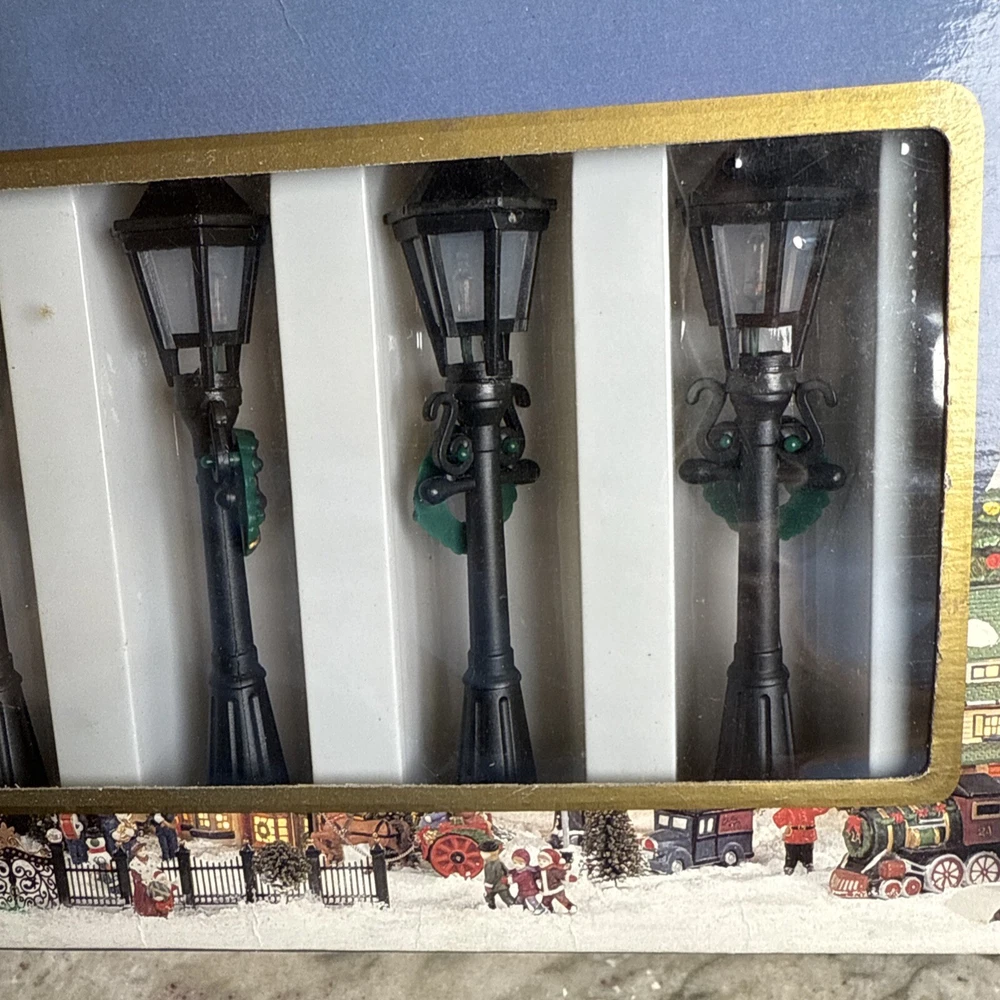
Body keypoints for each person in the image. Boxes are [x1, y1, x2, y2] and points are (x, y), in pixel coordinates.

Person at [772, 807, 828, 874]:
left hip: (806, 839)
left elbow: (823, 808)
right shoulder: (789, 808)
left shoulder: (810, 807)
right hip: (793, 839)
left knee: (808, 865)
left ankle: (807, 870)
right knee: (790, 865)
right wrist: (789, 823)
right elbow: (777, 818)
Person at [537, 848, 578, 914]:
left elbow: (561, 874)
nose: (541, 862)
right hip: (547, 890)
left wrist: (569, 877)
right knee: (546, 901)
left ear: (551, 862)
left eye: (544, 861)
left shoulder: (553, 870)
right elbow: (536, 875)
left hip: (556, 889)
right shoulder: (540, 870)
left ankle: (570, 907)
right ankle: (549, 909)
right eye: (539, 860)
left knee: (562, 899)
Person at [478, 839, 515, 909]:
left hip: (498, 886)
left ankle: (514, 906)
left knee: (506, 898)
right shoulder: (498, 861)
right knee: (490, 896)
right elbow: (506, 870)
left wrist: (488, 886)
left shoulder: (490, 865)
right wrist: (507, 876)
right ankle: (491, 905)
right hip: (501, 884)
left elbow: (490, 877)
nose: (481, 854)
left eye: (483, 853)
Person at [508, 848, 545, 914]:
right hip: (522, 890)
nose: (517, 865)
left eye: (520, 863)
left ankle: (539, 908)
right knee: (519, 899)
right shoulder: (520, 869)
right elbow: (514, 871)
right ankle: (521, 908)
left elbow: (517, 878)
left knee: (531, 900)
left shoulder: (526, 872)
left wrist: (508, 880)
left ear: (526, 863)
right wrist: (508, 872)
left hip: (529, 890)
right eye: (515, 863)